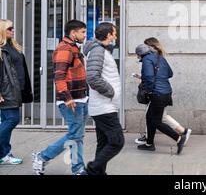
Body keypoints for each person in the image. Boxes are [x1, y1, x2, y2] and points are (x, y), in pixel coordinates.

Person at [32, 20, 88, 175]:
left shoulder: (73, 47)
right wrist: (67, 97)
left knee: (78, 135)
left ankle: (78, 168)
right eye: (82, 32)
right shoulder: (65, 49)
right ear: (73, 33)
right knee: (75, 134)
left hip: (81, 98)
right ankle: (42, 156)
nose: (85, 35)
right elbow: (59, 76)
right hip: (71, 100)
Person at [83, 22, 124, 175]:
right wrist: (111, 92)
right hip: (104, 106)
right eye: (114, 33)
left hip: (104, 106)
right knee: (117, 142)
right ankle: (91, 170)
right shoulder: (98, 51)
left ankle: (98, 173)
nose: (116, 36)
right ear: (108, 35)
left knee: (104, 143)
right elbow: (92, 77)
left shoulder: (102, 50)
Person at [134, 43, 191, 146]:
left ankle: (179, 139)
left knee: (156, 121)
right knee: (149, 117)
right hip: (166, 92)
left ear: (140, 54)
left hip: (157, 93)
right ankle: (149, 144)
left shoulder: (147, 60)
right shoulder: (160, 58)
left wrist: (148, 91)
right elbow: (170, 73)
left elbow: (149, 77)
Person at [0, 19, 33, 165]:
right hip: (6, 91)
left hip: (15, 90)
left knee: (9, 119)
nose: (13, 30)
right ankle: (4, 153)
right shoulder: (1, 49)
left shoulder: (12, 46)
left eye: (13, 28)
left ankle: (4, 154)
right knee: (12, 119)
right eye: (9, 28)